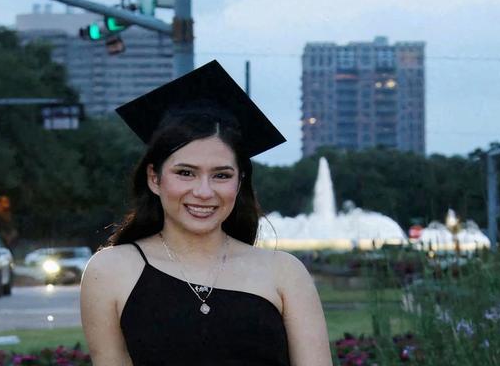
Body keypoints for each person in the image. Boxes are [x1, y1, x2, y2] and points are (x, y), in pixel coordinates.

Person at [80, 60, 332, 365]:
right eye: (185, 173)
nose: (203, 191)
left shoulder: (284, 273)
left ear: (239, 182)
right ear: (154, 178)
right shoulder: (110, 271)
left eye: (221, 175)